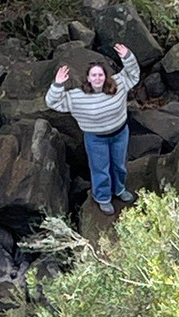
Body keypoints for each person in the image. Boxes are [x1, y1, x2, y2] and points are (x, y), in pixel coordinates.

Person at [45, 43, 140, 216]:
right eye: (94, 75)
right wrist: (58, 84)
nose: (98, 78)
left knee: (119, 165)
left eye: (100, 74)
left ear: (106, 76)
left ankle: (119, 189)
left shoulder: (118, 84)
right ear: (88, 78)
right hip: (96, 138)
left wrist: (127, 56)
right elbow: (52, 102)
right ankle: (103, 198)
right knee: (100, 169)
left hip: (120, 134)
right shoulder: (76, 96)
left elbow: (133, 75)